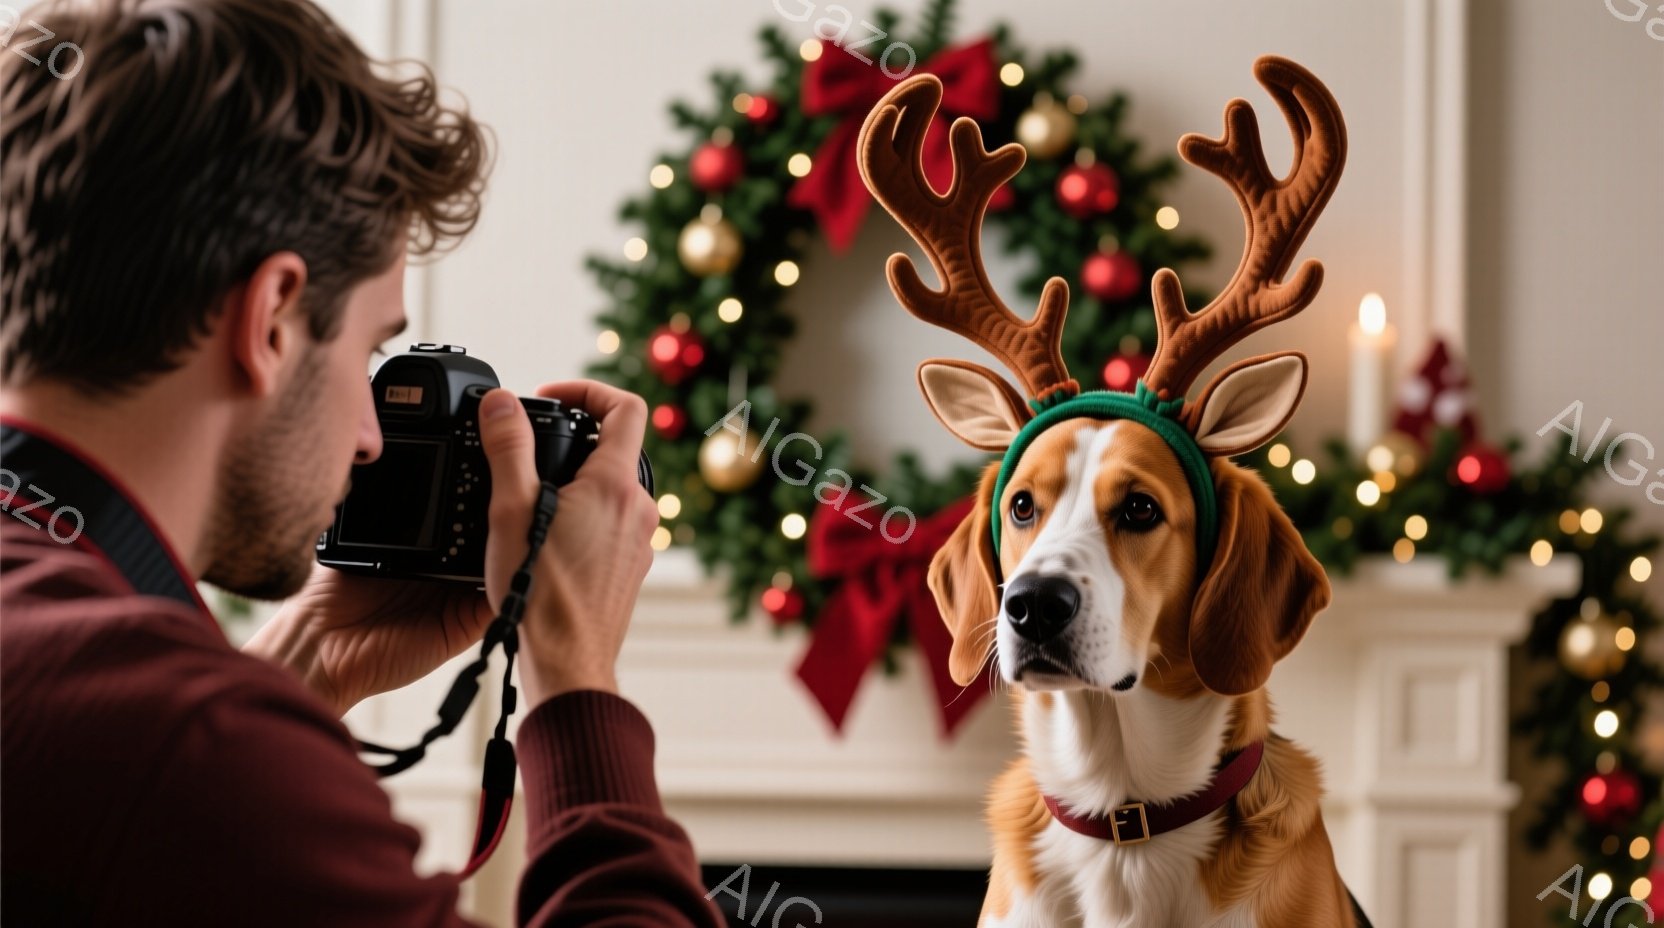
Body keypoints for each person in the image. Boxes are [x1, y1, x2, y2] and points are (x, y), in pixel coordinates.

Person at [0, 1, 725, 925]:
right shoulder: (183, 749)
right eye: (369, 356)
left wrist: (302, 666)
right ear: (269, 319)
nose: (372, 438)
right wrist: (574, 670)